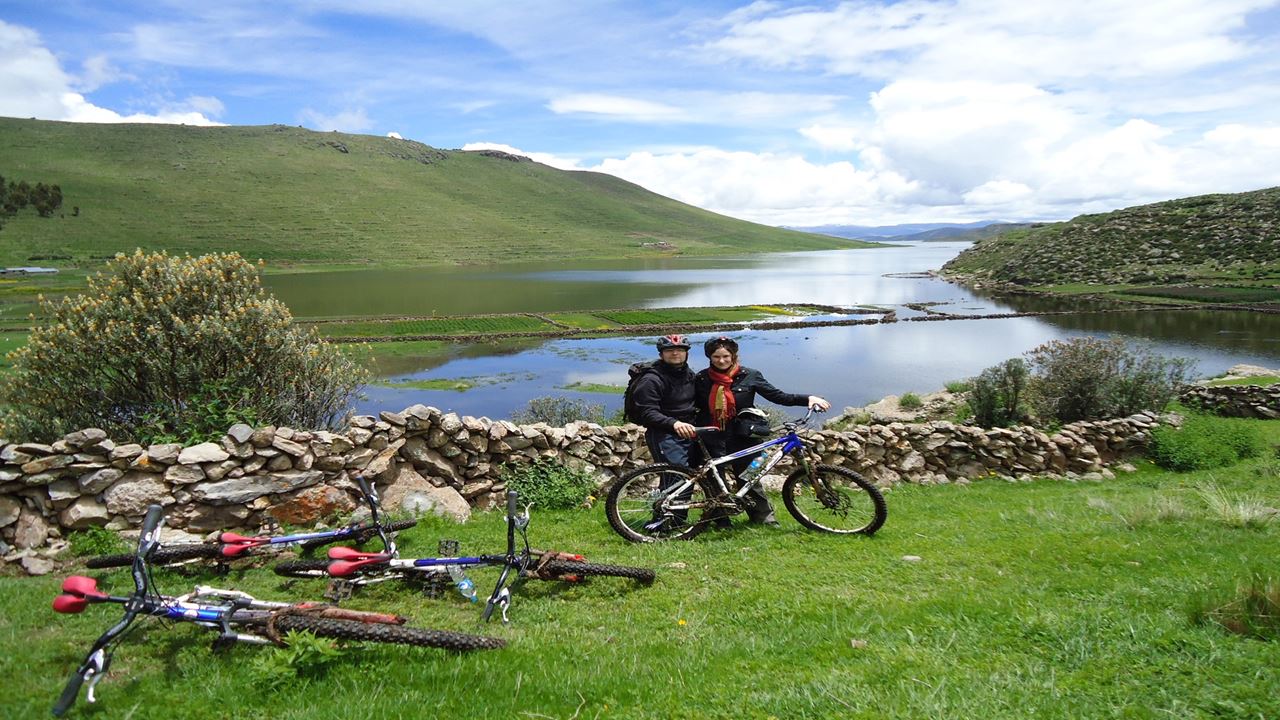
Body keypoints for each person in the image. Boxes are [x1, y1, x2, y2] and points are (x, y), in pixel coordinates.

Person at [694, 335, 831, 526]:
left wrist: (807, 398)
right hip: (713, 436)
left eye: (726, 356)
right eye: (716, 357)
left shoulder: (750, 375)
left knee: (750, 478)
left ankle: (763, 518)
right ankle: (720, 520)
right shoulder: (701, 378)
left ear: (734, 356)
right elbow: (691, 405)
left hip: (744, 436)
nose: (722, 360)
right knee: (715, 480)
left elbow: (778, 396)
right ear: (710, 357)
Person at [629, 334, 699, 530]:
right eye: (670, 350)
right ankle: (661, 521)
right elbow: (647, 412)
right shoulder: (652, 379)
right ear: (661, 354)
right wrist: (674, 423)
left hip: (690, 433)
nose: (675, 353)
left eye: (680, 350)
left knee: (688, 478)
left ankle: (676, 521)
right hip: (664, 434)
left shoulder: (688, 374)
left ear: (686, 353)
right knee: (674, 478)